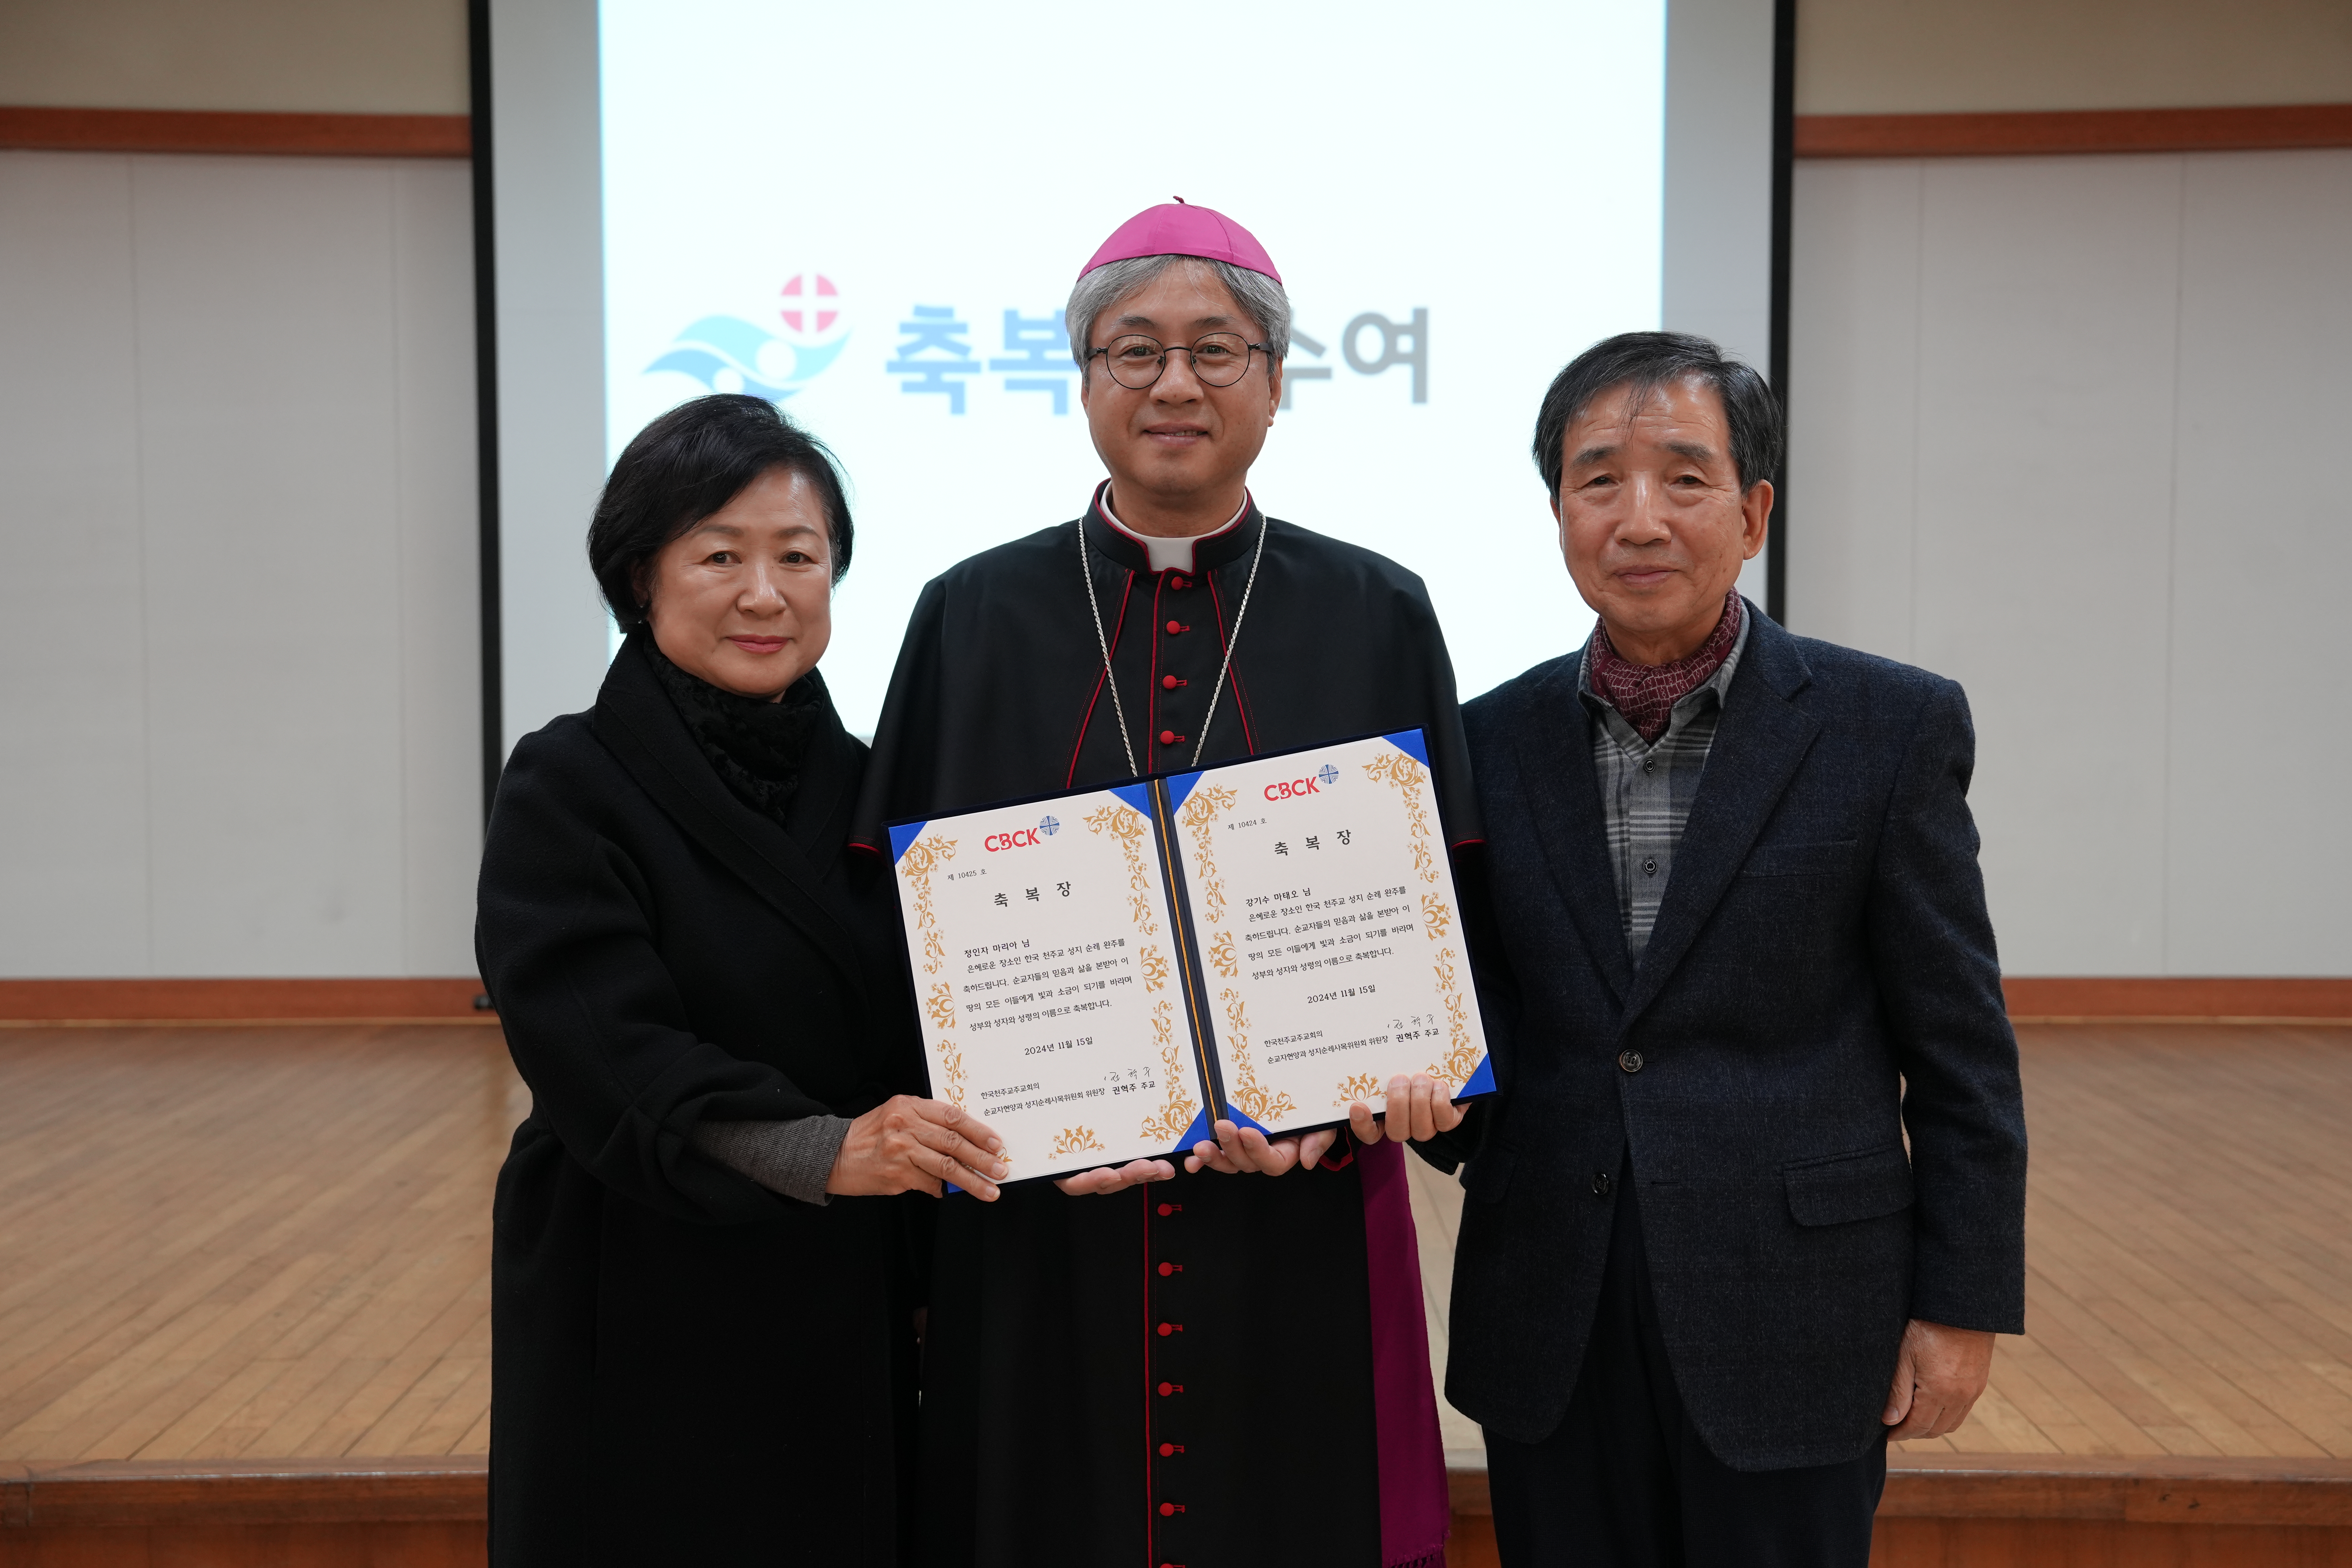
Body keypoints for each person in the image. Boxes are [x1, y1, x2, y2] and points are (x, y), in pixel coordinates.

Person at [852, 203, 1466, 1568]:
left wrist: (1362, 1092)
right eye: (1133, 352)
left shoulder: (1379, 610)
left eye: (1215, 349)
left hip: (1301, 1205)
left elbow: (1447, 918)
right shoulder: (970, 614)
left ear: (1277, 378)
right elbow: (894, 932)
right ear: (1082, 380)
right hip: (1035, 1219)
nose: (1175, 383)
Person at [1392, 332, 2028, 1566]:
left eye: (1684, 478)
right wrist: (1434, 1095)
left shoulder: (1885, 726)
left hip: (1797, 1312)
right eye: (1597, 480)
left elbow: (1961, 1050)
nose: (1640, 519)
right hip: (1554, 1311)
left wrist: (1961, 1305)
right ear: (1559, 512)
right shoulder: (1485, 742)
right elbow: (1492, 1019)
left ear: (1754, 511)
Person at [477, 394, 1009, 1565]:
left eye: (799, 557)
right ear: (639, 578)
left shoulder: (876, 788)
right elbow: (602, 1047)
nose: (764, 594)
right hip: (640, 1276)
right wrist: (822, 1150)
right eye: (720, 554)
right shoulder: (567, 783)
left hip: (841, 1283)